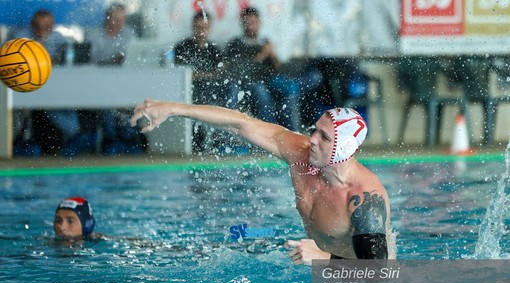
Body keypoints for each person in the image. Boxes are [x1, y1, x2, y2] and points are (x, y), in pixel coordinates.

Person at [130, 100, 392, 265]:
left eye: (323, 137)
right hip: (310, 261)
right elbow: (240, 123)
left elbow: (380, 275)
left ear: (345, 149)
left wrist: (324, 259)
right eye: (315, 130)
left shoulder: (363, 200)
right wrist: (174, 109)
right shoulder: (301, 156)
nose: (311, 139)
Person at [10, 9, 82, 156]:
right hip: (26, 88)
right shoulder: (20, 38)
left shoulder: (58, 38)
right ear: (32, 25)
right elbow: (13, 65)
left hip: (54, 88)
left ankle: (73, 137)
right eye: (39, 27)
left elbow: (68, 60)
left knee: (64, 107)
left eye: (47, 27)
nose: (43, 31)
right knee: (32, 109)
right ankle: (22, 141)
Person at [224, 7, 301, 131]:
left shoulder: (265, 41)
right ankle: (271, 132)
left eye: (253, 22)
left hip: (270, 79)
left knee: (291, 90)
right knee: (261, 90)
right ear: (242, 24)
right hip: (250, 83)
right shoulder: (236, 44)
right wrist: (262, 55)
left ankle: (293, 132)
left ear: (259, 23)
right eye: (247, 23)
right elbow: (241, 70)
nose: (250, 26)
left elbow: (278, 68)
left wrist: (273, 55)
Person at [85, 3, 146, 155]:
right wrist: (113, 59)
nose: (119, 23)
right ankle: (110, 140)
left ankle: (129, 139)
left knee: (135, 104)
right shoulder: (94, 35)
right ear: (107, 18)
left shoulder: (129, 34)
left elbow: (136, 58)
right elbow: (88, 61)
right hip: (98, 84)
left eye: (122, 19)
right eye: (116, 19)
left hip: (124, 84)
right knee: (107, 110)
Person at [174, 10, 225, 152]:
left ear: (210, 28)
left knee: (213, 93)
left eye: (205, 27)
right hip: (187, 88)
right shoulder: (182, 47)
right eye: (198, 27)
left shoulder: (214, 49)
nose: (201, 31)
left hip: (208, 89)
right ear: (193, 27)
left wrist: (199, 75)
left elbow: (219, 74)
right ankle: (198, 142)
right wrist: (208, 75)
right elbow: (181, 74)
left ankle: (214, 141)